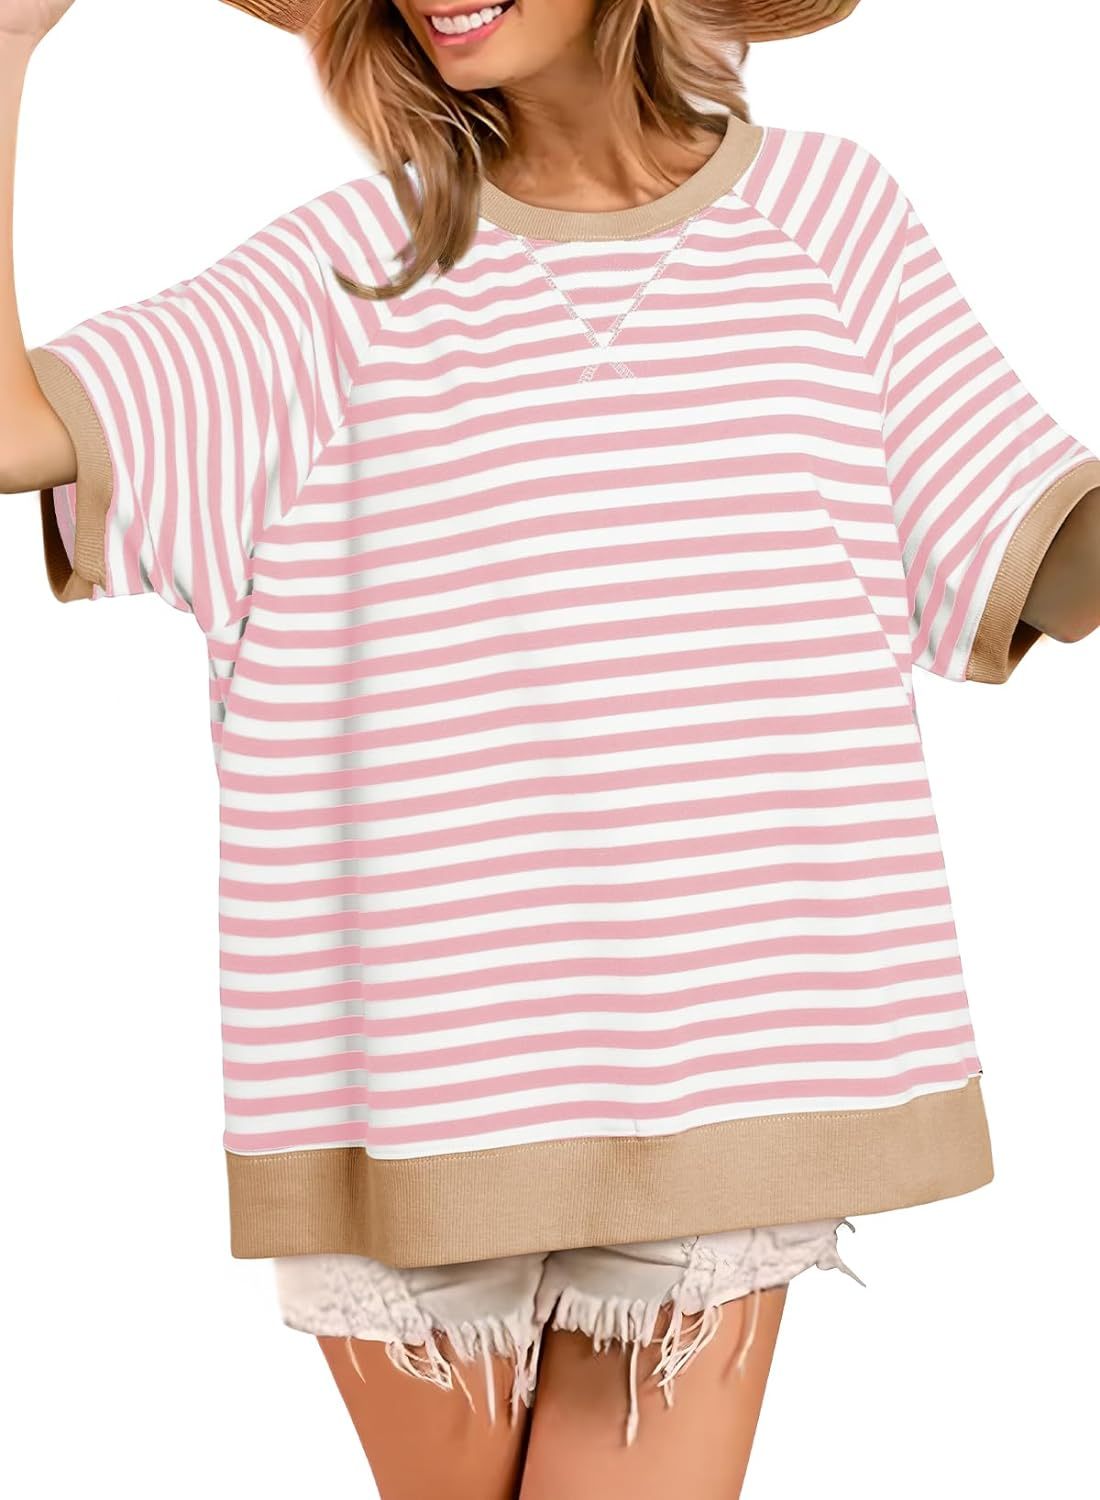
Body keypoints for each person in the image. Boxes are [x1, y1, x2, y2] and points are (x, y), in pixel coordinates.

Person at [2, 2, 1098, 1496]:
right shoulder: (338, 277)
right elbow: (18, 433)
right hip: (409, 1095)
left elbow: (1037, 544)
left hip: (728, 1060)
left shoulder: (831, 222)